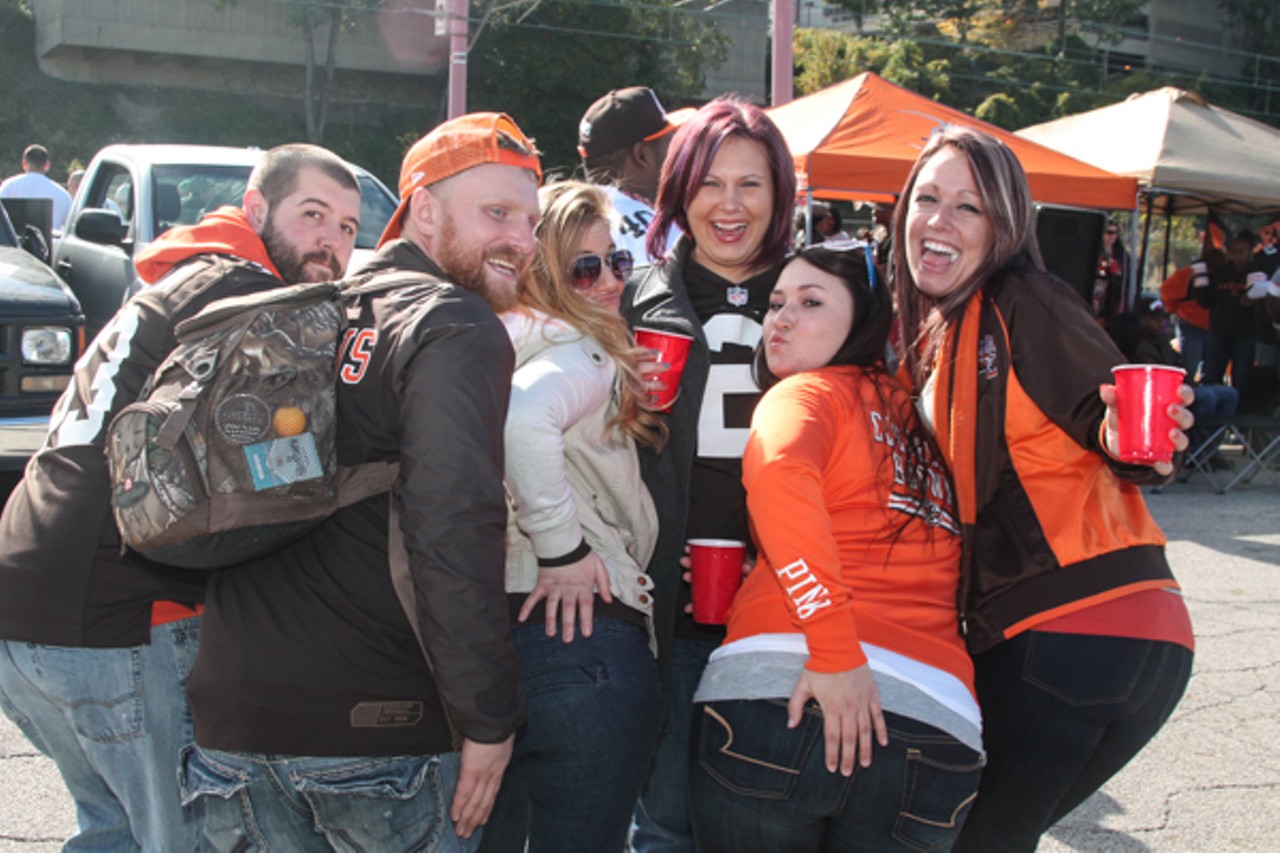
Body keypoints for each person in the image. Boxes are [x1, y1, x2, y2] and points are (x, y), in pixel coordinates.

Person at [182, 113, 538, 850]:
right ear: (426, 211)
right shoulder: (455, 324)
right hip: (377, 731)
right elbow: (455, 527)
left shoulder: (312, 301)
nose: (523, 241)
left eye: (532, 222)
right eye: (497, 213)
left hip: (230, 725)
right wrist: (488, 718)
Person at [0, 143, 362, 851]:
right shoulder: (248, 294)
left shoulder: (179, 279)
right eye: (312, 214)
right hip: (119, 612)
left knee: (112, 832)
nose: (332, 241)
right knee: (188, 837)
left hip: (24, 596)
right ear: (256, 209)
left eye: (349, 227)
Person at [889, 126, 1196, 852]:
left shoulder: (1022, 297)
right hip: (1132, 641)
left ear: (1006, 226)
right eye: (926, 198)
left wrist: (1136, 445)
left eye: (969, 207)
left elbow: (1109, 419)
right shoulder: (936, 331)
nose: (939, 219)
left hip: (1065, 630)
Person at [689, 243, 983, 851]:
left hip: (789, 693)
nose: (781, 319)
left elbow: (779, 478)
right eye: (775, 304)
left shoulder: (805, 395)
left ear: (866, 320)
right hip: (938, 726)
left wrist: (836, 652)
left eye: (810, 302)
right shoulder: (931, 426)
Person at [623, 95, 797, 853]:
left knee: (771, 825)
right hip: (668, 613)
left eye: (750, 184)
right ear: (679, 192)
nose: (729, 205)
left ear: (780, 195)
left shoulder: (822, 294)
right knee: (665, 824)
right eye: (710, 184)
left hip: (788, 610)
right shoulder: (634, 297)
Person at [480, 181, 665, 852]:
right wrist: (561, 550)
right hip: (587, 638)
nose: (609, 282)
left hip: (493, 644)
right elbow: (526, 418)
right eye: (584, 268)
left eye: (616, 262)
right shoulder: (579, 349)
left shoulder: (488, 347)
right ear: (545, 274)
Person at [578, 86, 688, 261]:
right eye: (671, 141)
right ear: (642, 155)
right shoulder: (663, 235)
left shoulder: (566, 219)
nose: (679, 152)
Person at [1197, 231, 1262, 403]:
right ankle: (1211, 421)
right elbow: (1206, 301)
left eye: (1241, 252)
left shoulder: (1257, 273)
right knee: (1211, 377)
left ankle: (1238, 420)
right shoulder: (1220, 272)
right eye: (1234, 251)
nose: (1237, 256)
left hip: (1246, 334)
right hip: (1219, 331)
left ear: (1250, 252)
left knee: (1241, 380)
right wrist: (1199, 284)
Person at [0, 143, 74, 232]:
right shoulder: (63, 195)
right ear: (47, 165)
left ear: (24, 164)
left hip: (12, 244)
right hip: (51, 244)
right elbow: (70, 227)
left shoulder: (8, 186)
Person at [1091, 217, 1128, 322]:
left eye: (1115, 233)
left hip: (1113, 291)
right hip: (1098, 288)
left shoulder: (1121, 253)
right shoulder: (1096, 249)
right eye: (1109, 232)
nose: (1113, 236)